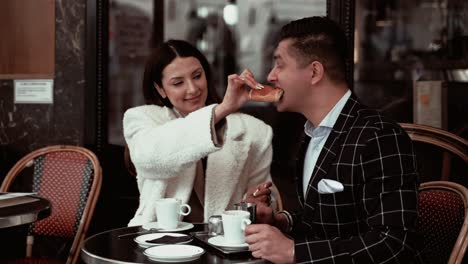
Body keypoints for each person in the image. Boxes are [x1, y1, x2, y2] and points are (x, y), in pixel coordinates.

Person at [243, 17, 424, 263]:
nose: (271, 76)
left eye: (280, 65)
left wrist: (294, 251)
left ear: (314, 72)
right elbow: (322, 220)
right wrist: (280, 220)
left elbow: (394, 244)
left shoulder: (379, 135)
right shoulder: (312, 133)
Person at [123, 39, 274, 226]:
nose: (193, 89)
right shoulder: (142, 118)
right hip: (159, 241)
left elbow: (267, 202)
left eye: (197, 76)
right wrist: (223, 109)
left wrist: (255, 203)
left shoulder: (254, 131)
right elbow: (149, 158)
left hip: (227, 241)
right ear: (160, 89)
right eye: (178, 83)